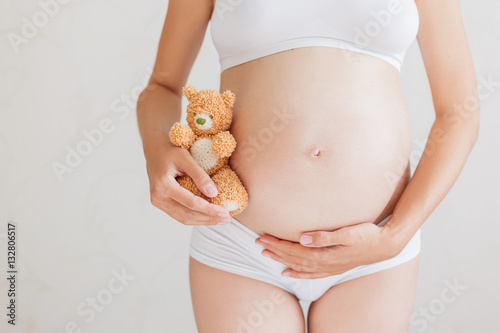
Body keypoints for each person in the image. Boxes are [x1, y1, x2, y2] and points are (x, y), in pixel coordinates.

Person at [136, 0, 479, 331]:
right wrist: (156, 151)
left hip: (372, 250)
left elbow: (459, 112)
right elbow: (162, 86)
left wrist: (395, 236)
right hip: (239, 243)